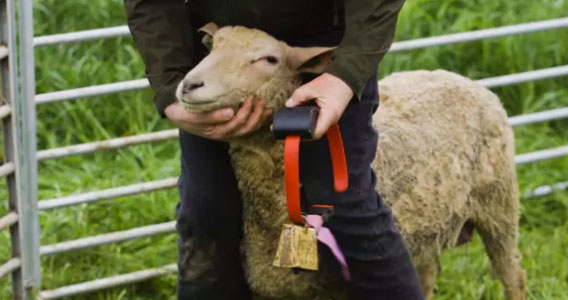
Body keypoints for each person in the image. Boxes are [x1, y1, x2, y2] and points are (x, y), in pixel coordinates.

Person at [124, 1, 424, 299]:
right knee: (207, 213)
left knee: (342, 208)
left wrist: (345, 75)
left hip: (321, 49)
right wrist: (169, 82)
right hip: (218, 52)